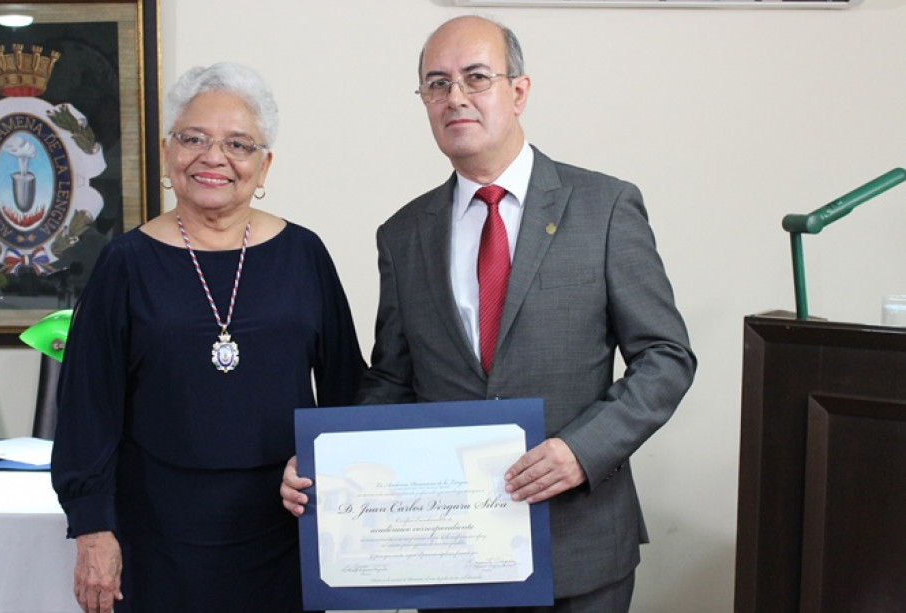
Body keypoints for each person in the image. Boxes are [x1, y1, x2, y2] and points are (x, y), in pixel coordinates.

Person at [281, 15, 696, 613]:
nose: (455, 97)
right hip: (450, 555)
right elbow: (394, 378)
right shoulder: (403, 234)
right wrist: (329, 461)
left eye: (476, 77)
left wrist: (582, 450)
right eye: (437, 84)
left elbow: (666, 358)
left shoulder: (604, 207)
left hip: (579, 547)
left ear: (519, 91)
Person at [52, 61, 366, 613]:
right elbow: (86, 410)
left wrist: (344, 479)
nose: (213, 157)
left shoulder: (304, 255)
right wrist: (93, 531)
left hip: (288, 526)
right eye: (193, 138)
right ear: (169, 152)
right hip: (156, 535)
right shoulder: (124, 263)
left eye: (238, 144)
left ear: (264, 164)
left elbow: (349, 389)